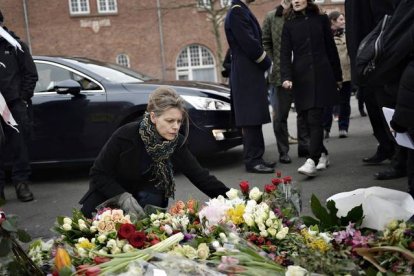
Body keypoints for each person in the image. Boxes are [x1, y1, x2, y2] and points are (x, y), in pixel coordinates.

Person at [79, 86, 230, 217]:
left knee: (151, 218)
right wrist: (122, 197)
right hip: (111, 193)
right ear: (153, 117)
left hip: (146, 196)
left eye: (179, 121)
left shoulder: (175, 142)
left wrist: (235, 199)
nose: (176, 127)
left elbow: (200, 176)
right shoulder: (126, 134)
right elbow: (98, 173)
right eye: (170, 121)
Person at [280, 0, 342, 176]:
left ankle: (312, 160)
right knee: (307, 119)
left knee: (315, 118)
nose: (296, 1)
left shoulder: (321, 19)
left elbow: (331, 49)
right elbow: (284, 54)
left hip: (322, 75)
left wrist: (338, 77)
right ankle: (323, 154)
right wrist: (286, 77)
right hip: (301, 78)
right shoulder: (289, 25)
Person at [224, 0, 275, 173]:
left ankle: (257, 157)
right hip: (246, 72)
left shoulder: (241, 10)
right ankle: (252, 160)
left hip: (249, 71)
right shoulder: (237, 12)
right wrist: (267, 62)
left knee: (255, 118)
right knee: (250, 117)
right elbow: (250, 43)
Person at [262, 0, 309, 164]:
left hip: (302, 72)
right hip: (280, 75)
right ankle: (283, 151)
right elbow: (265, 41)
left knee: (304, 111)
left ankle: (305, 145)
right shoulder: (271, 17)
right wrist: (273, 63)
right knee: (280, 116)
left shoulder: (302, 13)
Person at [0, 9, 38, 202]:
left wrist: (22, 98)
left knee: (19, 147)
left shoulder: (16, 46)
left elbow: (31, 74)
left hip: (14, 105)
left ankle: (21, 184)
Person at [322, 11, 352, 139]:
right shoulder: (326, 36)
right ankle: (325, 128)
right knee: (328, 103)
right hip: (331, 75)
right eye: (340, 19)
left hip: (347, 75)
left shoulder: (347, 35)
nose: (343, 21)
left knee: (345, 102)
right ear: (333, 21)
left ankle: (343, 127)